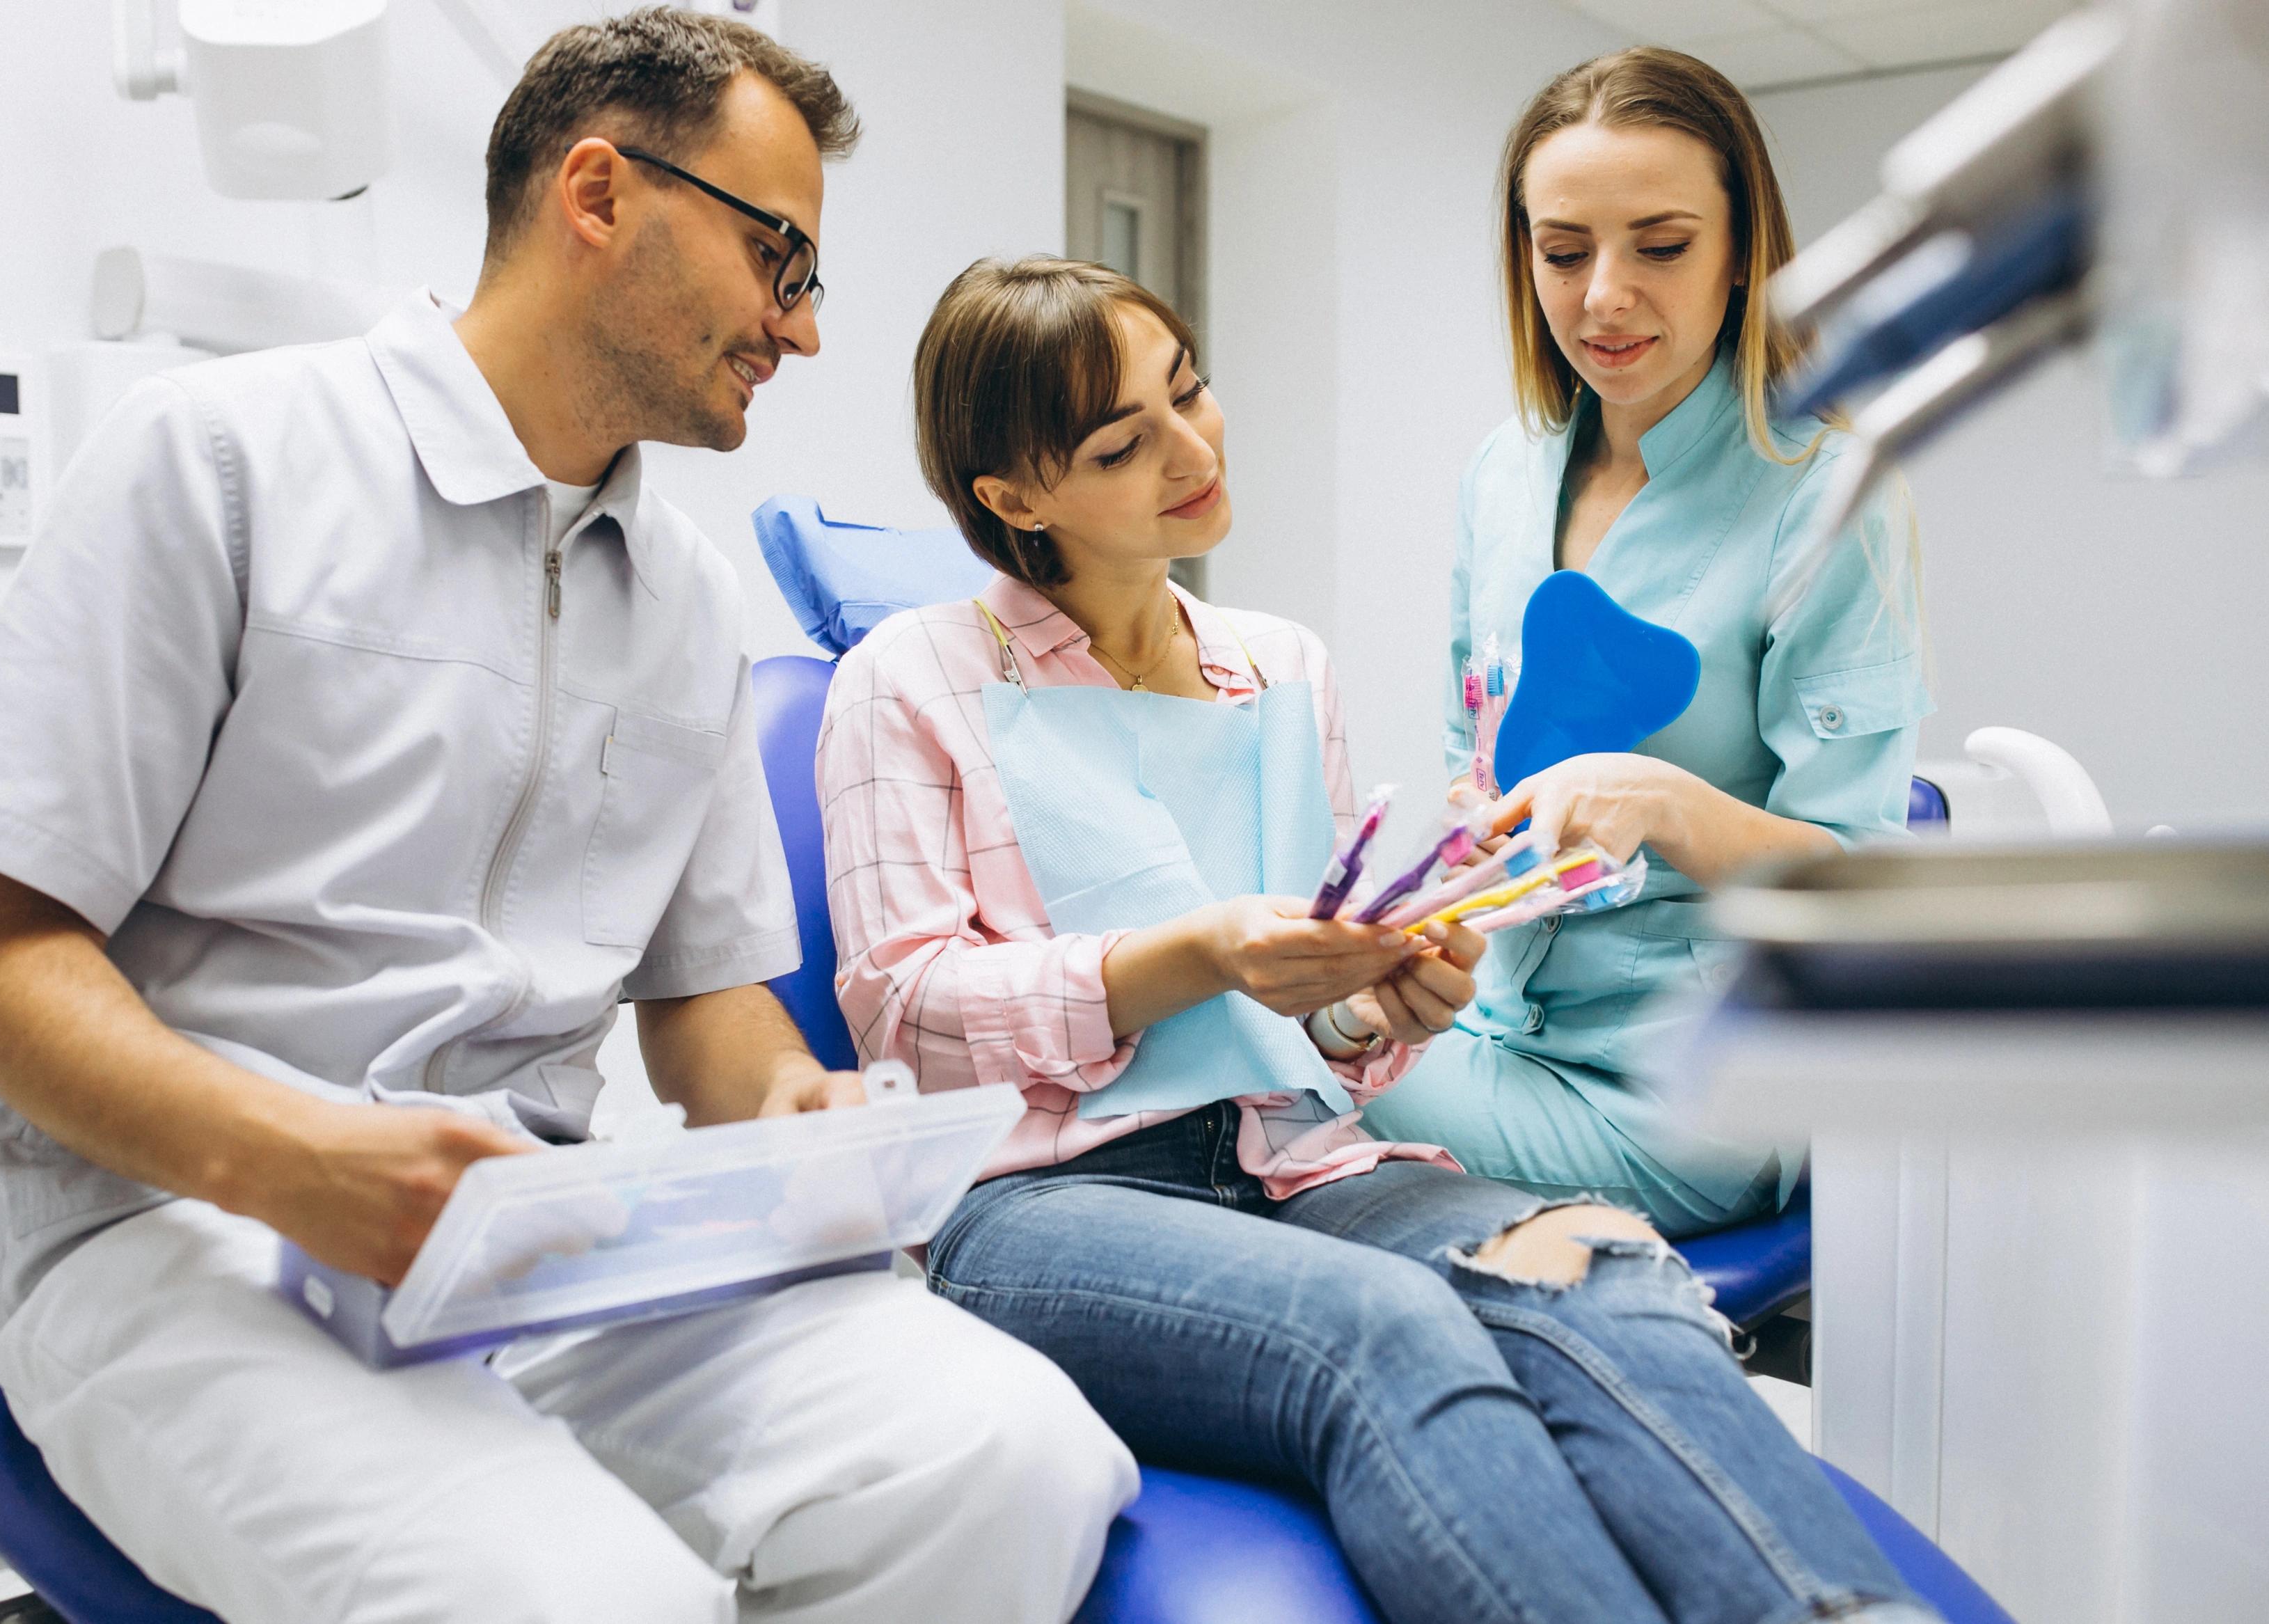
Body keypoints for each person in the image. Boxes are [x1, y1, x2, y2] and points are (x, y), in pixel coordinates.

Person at [0, 13, 1132, 1623]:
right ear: (598, 194)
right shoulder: (222, 460)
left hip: (544, 1234)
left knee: (1018, 1458)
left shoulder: (685, 597)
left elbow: (707, 1006)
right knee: (594, 1602)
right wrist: (302, 1161)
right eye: (779, 261)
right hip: (181, 1229)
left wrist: (799, 1120)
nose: (803, 330)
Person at [818, 253, 1934, 1624]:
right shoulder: (910, 678)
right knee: (1389, 1326)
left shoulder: (1279, 666)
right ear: (1012, 497)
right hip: (1039, 1202)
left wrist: (1377, 1002)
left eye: (1189, 393)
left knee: (1605, 1273)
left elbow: (1321, 1033)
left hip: (1297, 1161)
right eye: (1121, 444)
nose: (1192, 451)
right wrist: (1199, 954)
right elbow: (904, 1008)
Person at [1363, 47, 1932, 1237]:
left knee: (1267, 1093)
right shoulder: (1504, 473)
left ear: (1742, 253)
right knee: (1290, 1044)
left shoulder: (1828, 492)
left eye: (1661, 247)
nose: (1604, 297)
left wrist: (1664, 802)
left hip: (1697, 1084)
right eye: (1564, 252)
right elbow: (1480, 774)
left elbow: (1865, 895)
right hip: (1501, 1028)